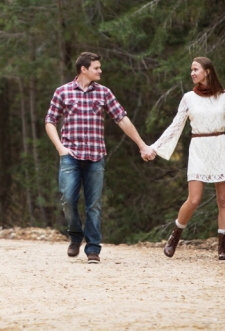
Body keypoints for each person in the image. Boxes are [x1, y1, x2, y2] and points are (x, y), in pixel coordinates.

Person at [45, 52, 156, 264]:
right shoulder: (63, 92)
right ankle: (75, 235)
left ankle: (93, 248)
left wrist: (142, 145)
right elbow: (50, 121)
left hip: (96, 157)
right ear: (83, 69)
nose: (100, 70)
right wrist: (60, 148)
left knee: (93, 205)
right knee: (68, 199)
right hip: (70, 155)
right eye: (96, 67)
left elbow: (122, 119)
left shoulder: (104, 93)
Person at [149, 57, 225, 260]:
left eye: (195, 69)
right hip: (199, 148)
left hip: (220, 146)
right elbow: (176, 126)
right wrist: (155, 147)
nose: (192, 73)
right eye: (191, 70)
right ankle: (174, 237)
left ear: (207, 71)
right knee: (194, 199)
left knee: (223, 199)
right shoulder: (188, 98)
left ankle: (222, 248)